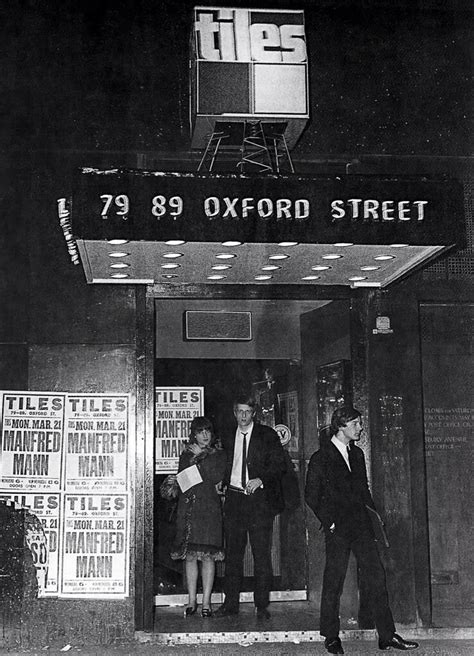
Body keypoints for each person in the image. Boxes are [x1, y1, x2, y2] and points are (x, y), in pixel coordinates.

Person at [305, 406, 419, 654]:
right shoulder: (321, 457)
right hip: (338, 528)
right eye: (355, 424)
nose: (360, 428)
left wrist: (374, 519)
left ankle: (387, 635)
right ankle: (331, 636)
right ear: (341, 426)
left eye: (359, 423)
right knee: (334, 581)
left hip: (361, 527)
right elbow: (311, 496)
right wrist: (331, 522)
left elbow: (364, 491)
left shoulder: (356, 454)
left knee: (377, 578)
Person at [214, 392, 286, 620]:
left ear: (253, 413)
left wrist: (261, 478)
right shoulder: (227, 434)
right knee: (233, 555)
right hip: (235, 499)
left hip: (258, 502)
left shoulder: (267, 435)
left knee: (261, 554)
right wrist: (223, 481)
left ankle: (262, 605)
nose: (243, 415)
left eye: (247, 411)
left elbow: (279, 465)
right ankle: (230, 604)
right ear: (234, 413)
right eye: (239, 411)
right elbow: (226, 462)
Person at [170, 416, 226, 618]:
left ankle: (206, 603)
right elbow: (184, 480)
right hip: (190, 510)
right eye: (200, 432)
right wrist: (194, 463)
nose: (204, 435)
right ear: (194, 434)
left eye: (207, 431)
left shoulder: (218, 455)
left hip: (209, 510)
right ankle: (191, 600)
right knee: (191, 556)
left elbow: (215, 476)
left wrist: (201, 457)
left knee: (208, 556)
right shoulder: (186, 454)